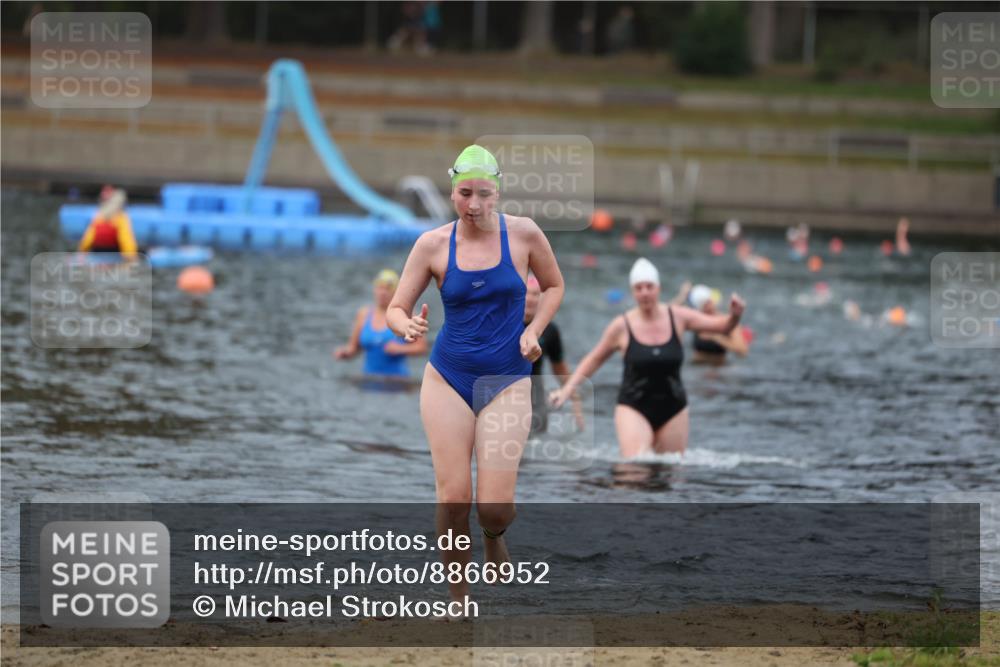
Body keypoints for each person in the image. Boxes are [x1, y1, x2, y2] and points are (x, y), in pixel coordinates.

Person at [386, 145, 564, 611]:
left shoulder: (524, 235)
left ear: (498, 193)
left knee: (494, 505)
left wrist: (534, 329)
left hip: (507, 378)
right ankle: (458, 599)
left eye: (484, 194)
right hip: (448, 377)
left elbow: (555, 286)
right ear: (452, 192)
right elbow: (395, 307)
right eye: (465, 193)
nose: (474, 204)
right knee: (454, 498)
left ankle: (493, 536)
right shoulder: (432, 245)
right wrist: (405, 325)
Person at [550, 258, 744, 458]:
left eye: (649, 287)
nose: (644, 292)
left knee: (671, 472)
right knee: (636, 469)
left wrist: (735, 316)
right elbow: (594, 359)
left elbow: (723, 326)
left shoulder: (678, 316)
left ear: (658, 288)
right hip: (633, 407)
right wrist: (567, 389)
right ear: (633, 292)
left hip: (674, 407)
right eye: (638, 288)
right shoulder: (621, 326)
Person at [334, 269, 427, 378]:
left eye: (388, 289)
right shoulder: (364, 314)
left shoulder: (407, 314)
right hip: (369, 379)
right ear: (375, 290)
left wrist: (400, 349)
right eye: (380, 288)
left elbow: (421, 348)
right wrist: (345, 353)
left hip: (397, 382)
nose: (383, 293)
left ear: (396, 292)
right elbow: (354, 348)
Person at [524, 276, 585, 435]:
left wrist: (575, 397)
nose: (530, 299)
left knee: (536, 439)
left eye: (535, 294)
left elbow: (559, 368)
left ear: (543, 299)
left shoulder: (550, 330)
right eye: (526, 293)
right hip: (505, 386)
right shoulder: (503, 324)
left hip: (534, 390)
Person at [685, 284, 749, 363]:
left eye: (708, 303)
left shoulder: (728, 321)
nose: (707, 307)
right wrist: (682, 295)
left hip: (719, 368)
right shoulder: (696, 321)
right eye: (703, 306)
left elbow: (742, 351)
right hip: (697, 368)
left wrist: (715, 337)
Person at [77, 186, 138, 259]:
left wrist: (82, 251)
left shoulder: (99, 216)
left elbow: (88, 238)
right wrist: (131, 256)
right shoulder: (120, 216)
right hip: (113, 257)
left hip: (99, 256)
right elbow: (126, 238)